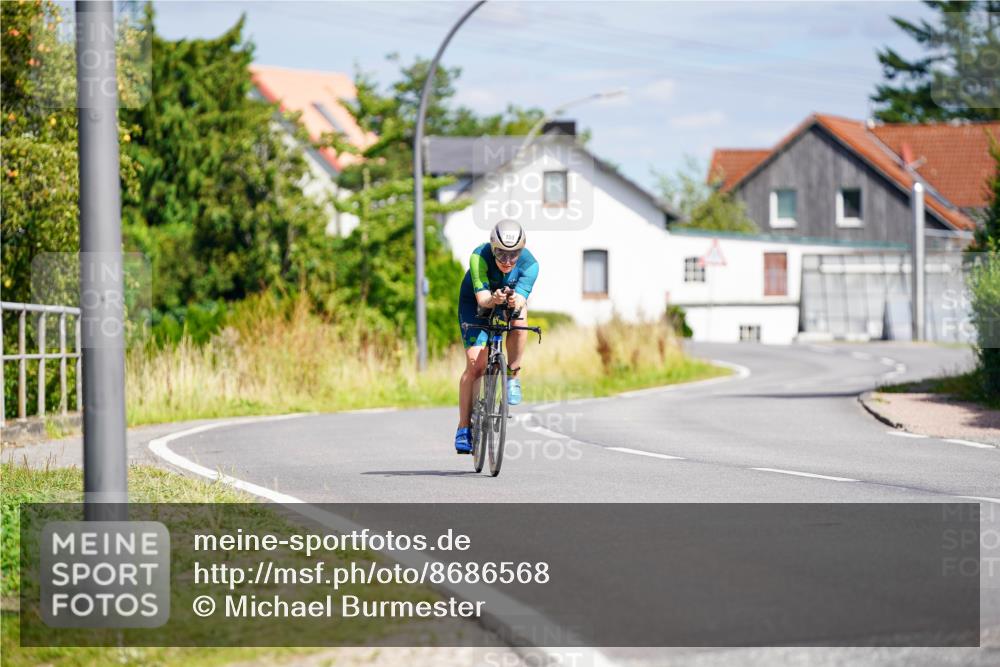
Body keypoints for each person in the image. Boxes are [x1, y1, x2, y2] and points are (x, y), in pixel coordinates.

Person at [454, 219, 538, 454]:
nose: (507, 261)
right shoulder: (479, 256)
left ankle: (513, 374)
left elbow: (520, 302)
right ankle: (464, 427)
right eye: (501, 254)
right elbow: (483, 300)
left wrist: (512, 301)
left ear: (521, 250)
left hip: (506, 301)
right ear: (492, 248)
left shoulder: (530, 265)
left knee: (519, 321)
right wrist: (494, 299)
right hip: (475, 304)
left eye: (514, 254)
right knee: (476, 366)